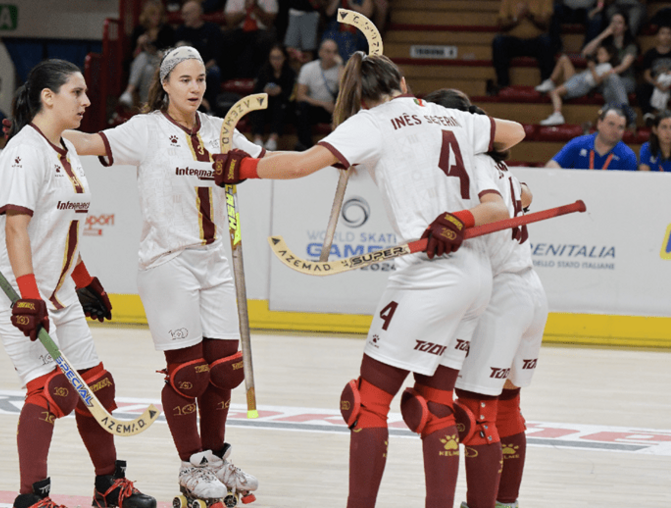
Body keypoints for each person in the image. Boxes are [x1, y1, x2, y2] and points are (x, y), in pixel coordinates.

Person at [212, 53, 525, 508]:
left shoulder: (369, 122)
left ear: (356, 97)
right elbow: (514, 132)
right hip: (477, 274)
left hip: (430, 274)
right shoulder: (447, 113)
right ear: (402, 81)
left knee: (366, 401)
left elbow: (300, 165)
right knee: (436, 406)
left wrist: (243, 168)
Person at [61, 46, 263, 506]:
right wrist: (42, 133)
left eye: (201, 81)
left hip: (217, 263)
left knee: (224, 370)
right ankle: (191, 466)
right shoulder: (145, 129)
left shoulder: (221, 129)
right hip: (168, 261)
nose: (195, 88)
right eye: (186, 80)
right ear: (167, 83)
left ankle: (215, 457)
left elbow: (267, 162)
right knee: (188, 374)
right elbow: (90, 142)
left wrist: (334, 154)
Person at [0, 59, 156, 508]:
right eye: (77, 93)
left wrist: (84, 279)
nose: (87, 101)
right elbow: (18, 229)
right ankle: (32, 498)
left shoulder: (66, 149)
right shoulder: (24, 152)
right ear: (48, 97)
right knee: (51, 390)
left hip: (55, 292)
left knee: (96, 386)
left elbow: (63, 228)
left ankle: (109, 487)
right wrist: (29, 298)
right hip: (17, 292)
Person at [424, 89, 548, 508]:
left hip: (501, 299)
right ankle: (505, 502)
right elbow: (525, 195)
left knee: (474, 411)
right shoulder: (497, 165)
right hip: (529, 292)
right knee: (507, 406)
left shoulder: (468, 167)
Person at [574, 11, 639, 124]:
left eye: (619, 23)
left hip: (626, 80)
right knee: (608, 87)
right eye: (613, 22)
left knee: (610, 84)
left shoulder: (631, 45)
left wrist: (609, 74)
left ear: (625, 27)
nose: (615, 25)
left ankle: (609, 114)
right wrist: (603, 34)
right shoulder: (606, 44)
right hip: (604, 81)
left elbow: (624, 66)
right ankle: (626, 113)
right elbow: (585, 53)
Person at [538, 42, 617, 126]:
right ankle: (551, 81)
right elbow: (585, 52)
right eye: (598, 54)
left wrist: (592, 68)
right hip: (578, 78)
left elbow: (598, 81)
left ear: (609, 56)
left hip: (582, 85)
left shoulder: (608, 67)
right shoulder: (598, 64)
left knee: (554, 92)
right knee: (563, 58)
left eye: (601, 54)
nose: (598, 56)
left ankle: (557, 115)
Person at [118, 0, 176, 109]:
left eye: (159, 14)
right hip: (141, 64)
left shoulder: (167, 30)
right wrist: (139, 45)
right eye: (153, 14)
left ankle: (130, 93)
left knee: (150, 67)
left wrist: (161, 54)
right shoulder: (139, 30)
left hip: (159, 64)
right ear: (147, 15)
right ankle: (145, 103)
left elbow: (170, 53)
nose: (157, 17)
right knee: (145, 61)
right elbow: (134, 56)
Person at [491, 0, 555, 94]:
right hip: (514, 41)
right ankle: (503, 84)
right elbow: (502, 24)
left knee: (547, 41)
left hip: (536, 41)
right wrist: (517, 18)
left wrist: (530, 15)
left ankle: (545, 85)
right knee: (498, 41)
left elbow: (545, 23)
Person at [546, 104, 637, 169]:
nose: (615, 130)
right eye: (611, 124)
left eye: (620, 127)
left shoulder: (628, 156)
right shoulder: (578, 144)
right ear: (599, 124)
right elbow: (551, 165)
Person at [174, 0, 224, 113]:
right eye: (183, 13)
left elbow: (216, 57)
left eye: (186, 14)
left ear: (196, 13)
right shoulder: (180, 31)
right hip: (185, 69)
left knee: (214, 72)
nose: (183, 17)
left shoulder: (212, 30)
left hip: (207, 67)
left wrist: (201, 70)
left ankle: (210, 109)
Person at [294, 38, 341, 151]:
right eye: (328, 51)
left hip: (334, 108)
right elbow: (300, 96)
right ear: (320, 52)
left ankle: (338, 149)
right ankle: (305, 146)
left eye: (334, 52)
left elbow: (344, 90)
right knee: (301, 108)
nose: (331, 55)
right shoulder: (309, 68)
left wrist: (340, 64)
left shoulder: (340, 69)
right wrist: (323, 104)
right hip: (316, 106)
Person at [251, 43, 296, 151]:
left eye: (279, 58)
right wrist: (264, 92)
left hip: (283, 106)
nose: (276, 61)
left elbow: (292, 97)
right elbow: (255, 93)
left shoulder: (290, 73)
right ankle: (258, 139)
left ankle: (273, 139)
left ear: (284, 58)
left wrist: (281, 92)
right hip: (265, 106)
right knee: (258, 107)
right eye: (273, 58)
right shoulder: (263, 71)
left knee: (278, 105)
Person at [221, 0, 278, 79]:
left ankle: (262, 78)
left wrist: (256, 8)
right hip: (240, 29)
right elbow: (230, 22)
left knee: (265, 39)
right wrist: (245, 10)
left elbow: (270, 22)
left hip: (262, 30)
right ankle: (230, 78)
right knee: (228, 37)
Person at [635, 24, 671, 124]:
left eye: (669, 33)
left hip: (670, 85)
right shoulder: (651, 53)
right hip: (656, 84)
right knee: (641, 89)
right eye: (663, 33)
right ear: (657, 36)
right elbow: (646, 75)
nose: (666, 36)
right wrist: (656, 84)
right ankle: (648, 115)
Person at [283, 0, 322, 64]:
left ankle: (308, 72)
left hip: (311, 13)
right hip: (293, 11)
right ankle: (294, 73)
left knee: (308, 50)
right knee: (290, 50)